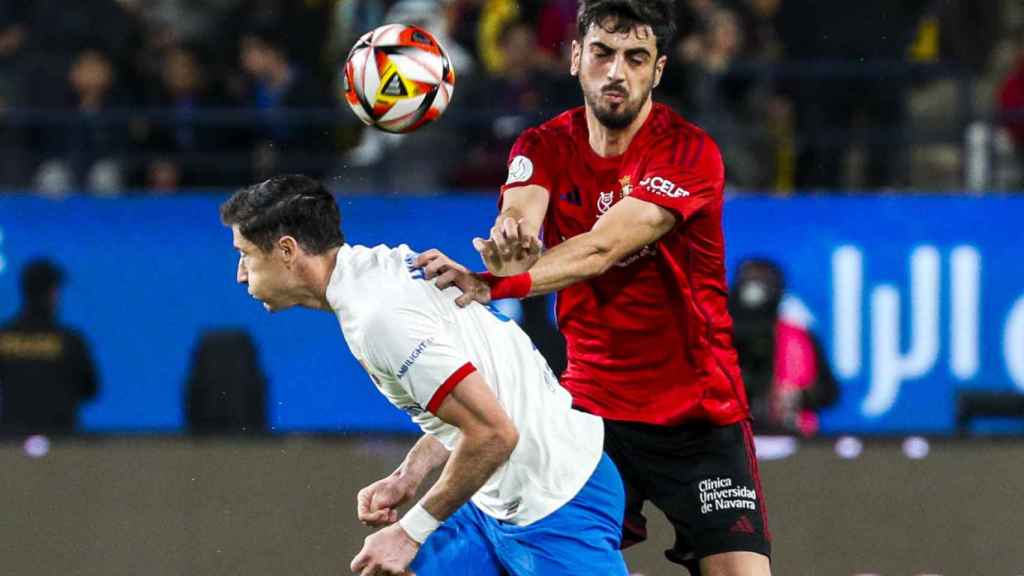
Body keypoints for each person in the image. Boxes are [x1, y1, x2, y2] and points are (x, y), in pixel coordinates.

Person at [415, 1, 772, 574]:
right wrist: (513, 240)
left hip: (700, 416)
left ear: (657, 71)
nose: (617, 72)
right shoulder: (541, 145)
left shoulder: (688, 151)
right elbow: (521, 211)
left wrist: (499, 282)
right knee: (514, 558)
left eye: (636, 58)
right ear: (576, 56)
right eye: (603, 53)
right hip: (591, 414)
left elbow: (605, 247)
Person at [219, 174, 628, 576]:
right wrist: (408, 475)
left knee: (396, 554)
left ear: (287, 250)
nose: (240, 274)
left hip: (554, 501)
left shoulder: (379, 318)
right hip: (496, 502)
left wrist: (408, 533)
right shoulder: (382, 269)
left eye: (246, 254)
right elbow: (477, 400)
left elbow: (494, 434)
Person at [728, 258, 839, 437]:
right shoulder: (720, 336)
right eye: (750, 278)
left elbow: (830, 392)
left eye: (764, 280)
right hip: (733, 435)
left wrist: (800, 396)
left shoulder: (798, 336)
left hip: (788, 433)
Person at [0, 259, 99, 435]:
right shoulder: (70, 341)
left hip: (11, 446)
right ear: (51, 294)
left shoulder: (4, 338)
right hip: (62, 445)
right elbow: (91, 389)